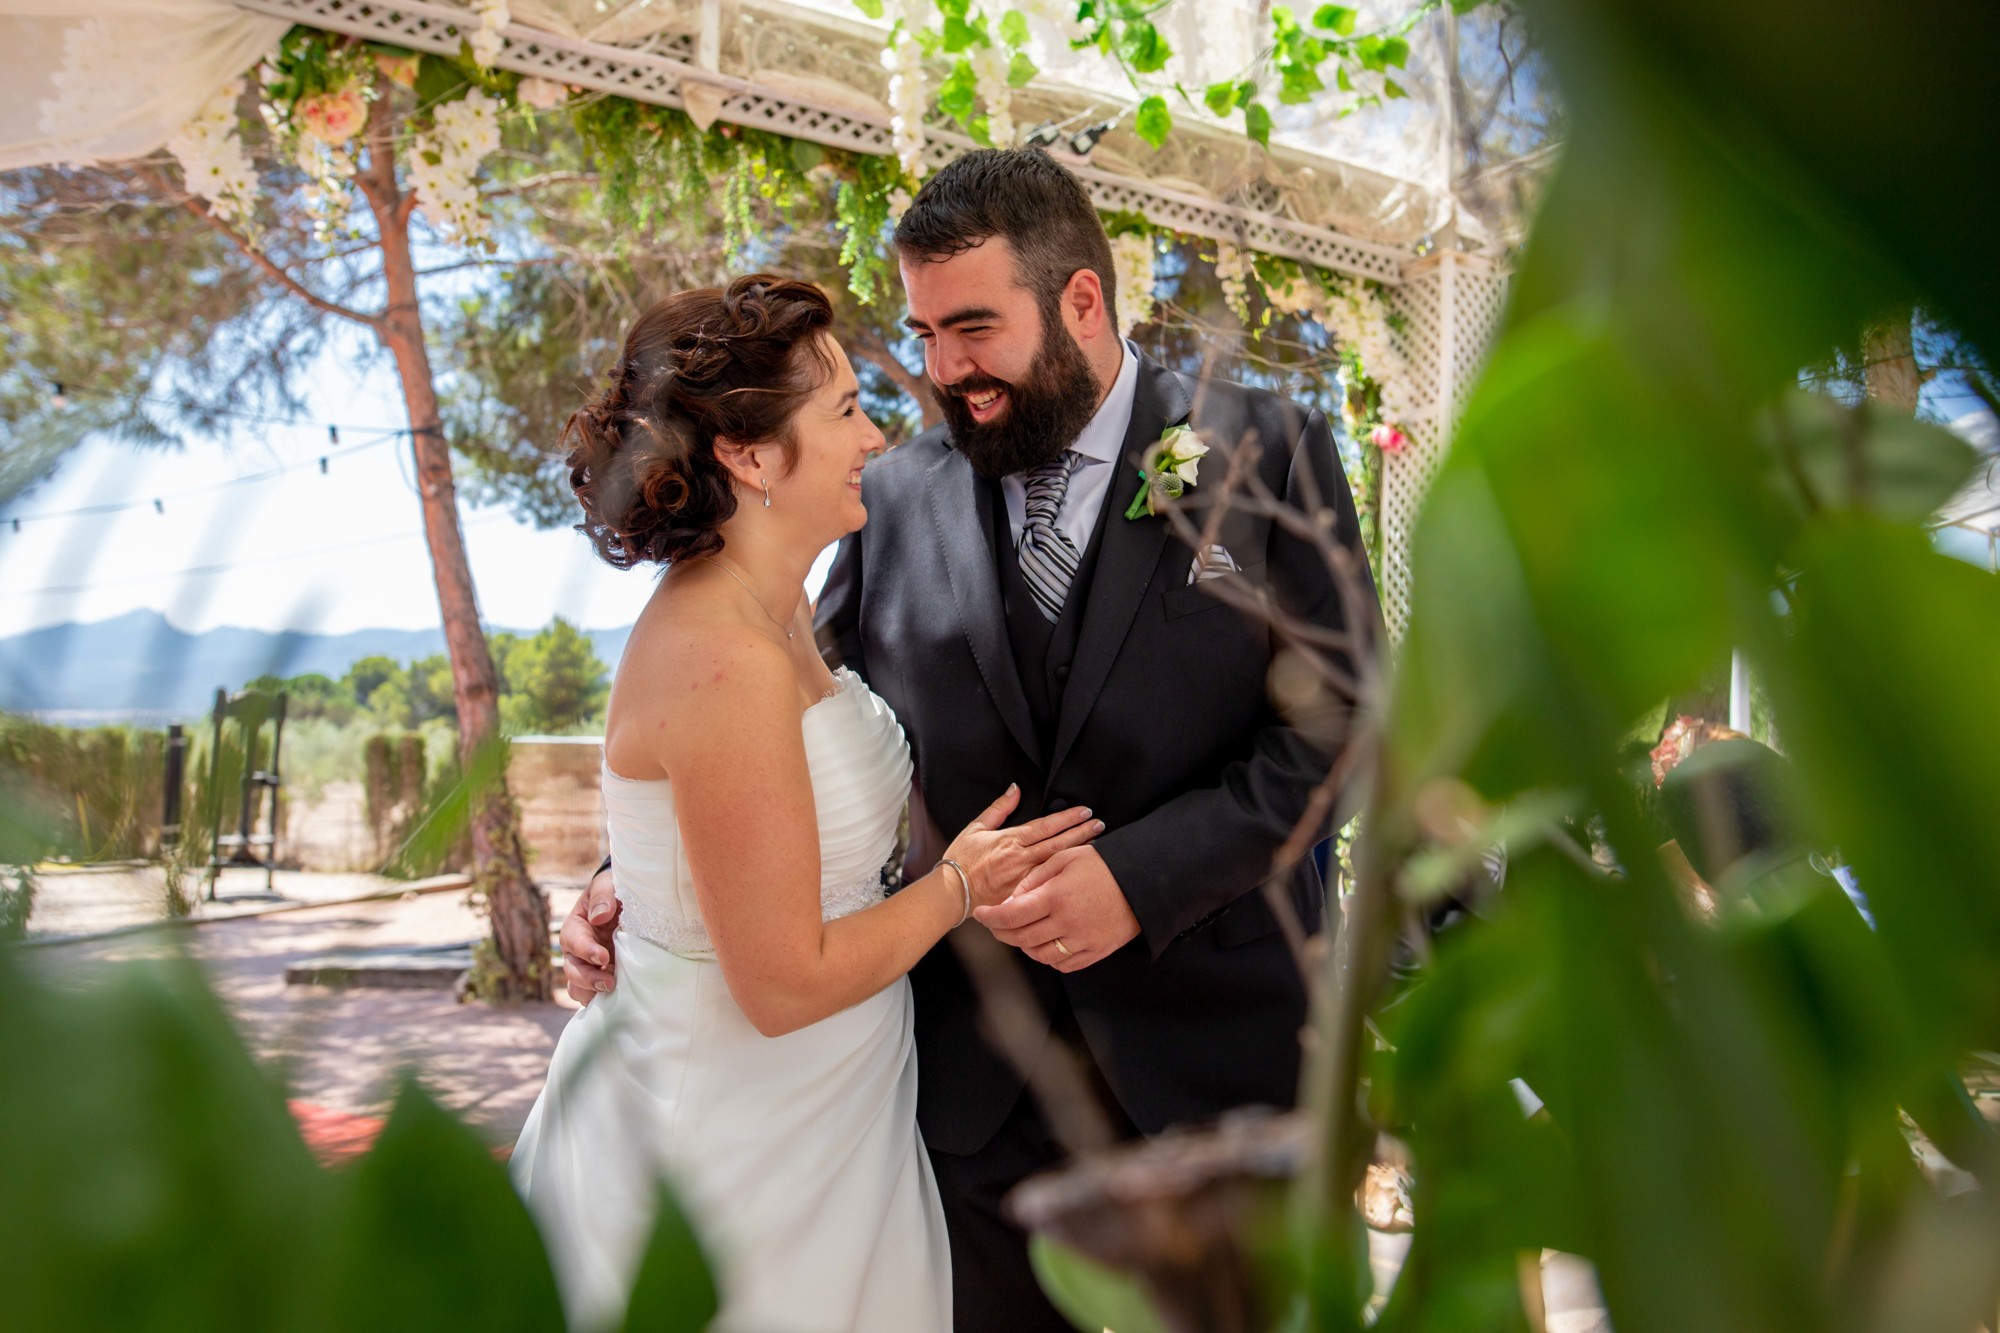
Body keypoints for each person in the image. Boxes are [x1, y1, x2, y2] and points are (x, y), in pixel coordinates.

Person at [565, 149, 1376, 1331]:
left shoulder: (1268, 450)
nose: (943, 370)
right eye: (924, 332)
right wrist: (633, 876)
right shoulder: (889, 498)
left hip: (1217, 1074)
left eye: (972, 329)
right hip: (964, 1104)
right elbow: (779, 722)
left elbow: (1344, 726)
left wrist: (1137, 880)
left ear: (1080, 301)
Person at [512, 274, 1104, 1333]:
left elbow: (721, 830)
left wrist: (622, 884)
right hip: (729, 1144)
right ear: (749, 455)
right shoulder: (722, 654)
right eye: (843, 411)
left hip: (831, 1114)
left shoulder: (777, 613)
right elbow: (781, 983)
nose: (874, 437)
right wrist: (960, 886)